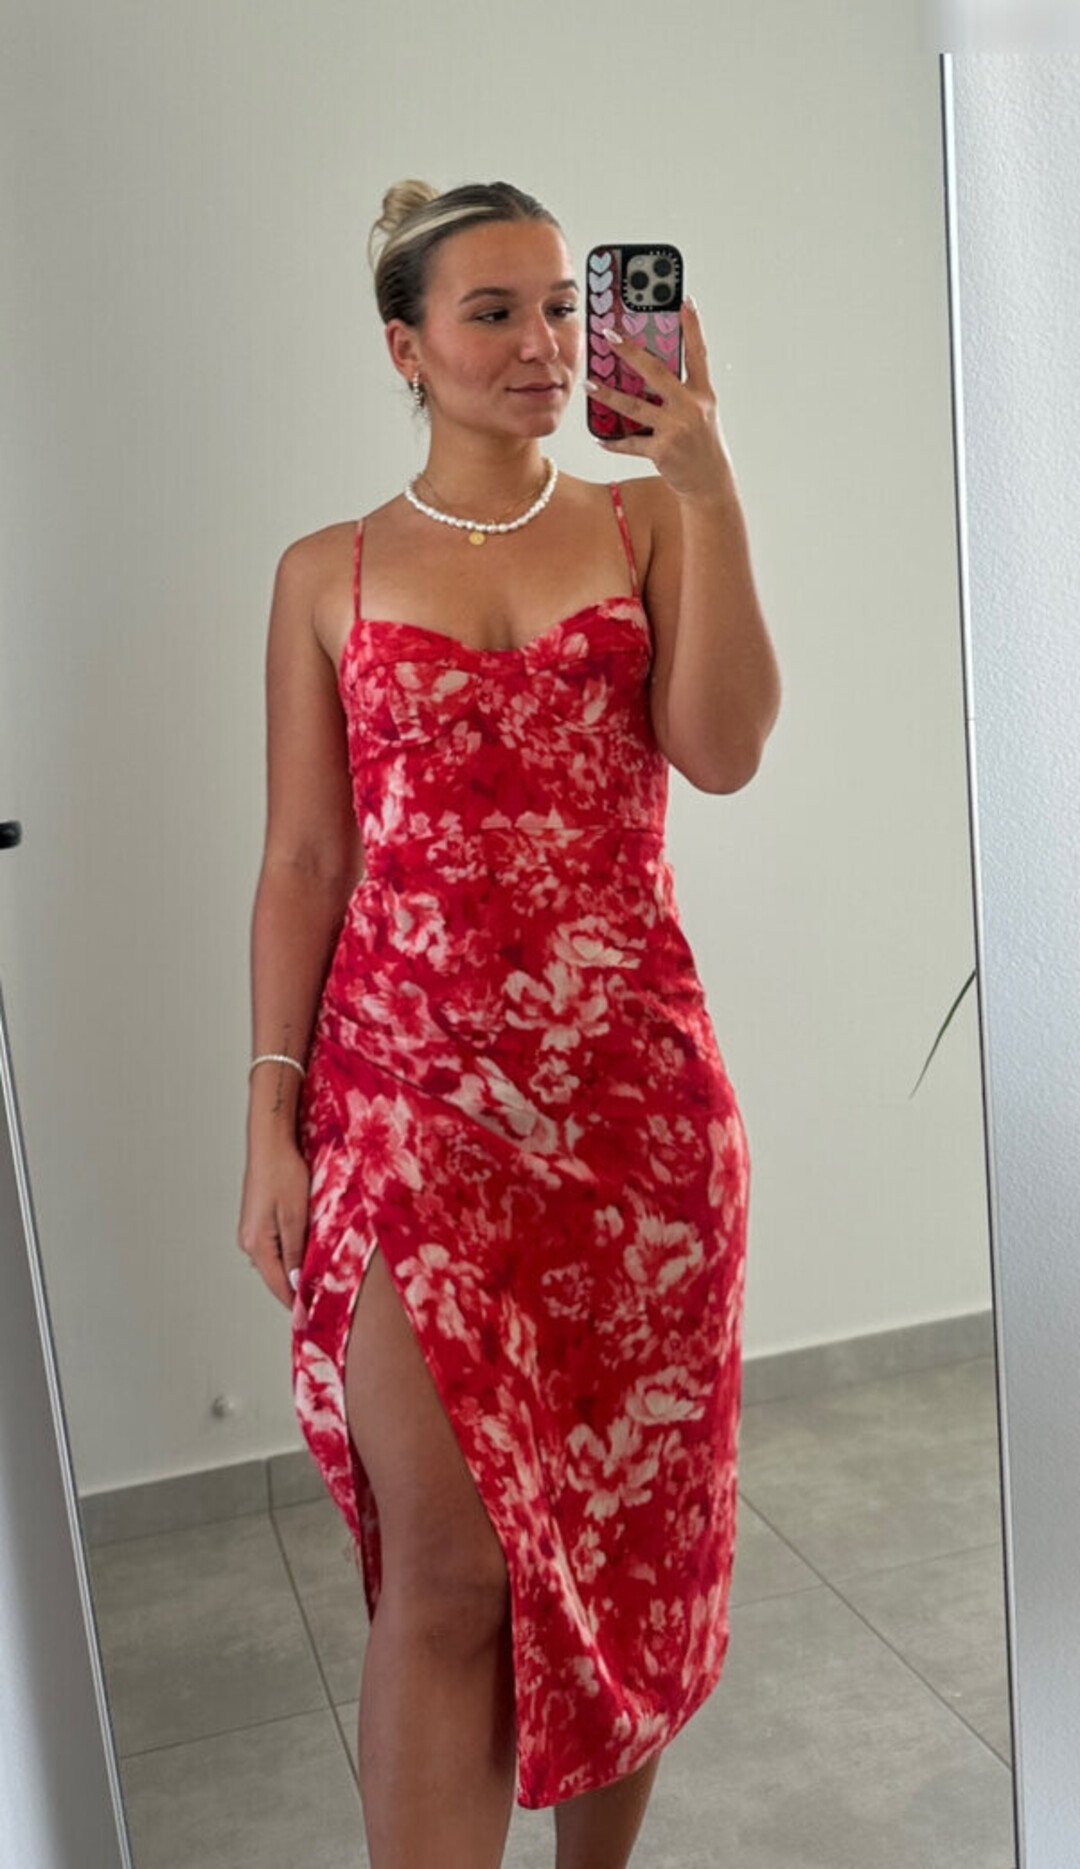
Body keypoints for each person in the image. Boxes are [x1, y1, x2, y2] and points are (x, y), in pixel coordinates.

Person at [237, 177, 781, 1869]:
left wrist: (710, 482)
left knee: (628, 1545)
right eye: (494, 313)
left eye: (562, 305)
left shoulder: (646, 522)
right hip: (404, 1113)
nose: (544, 342)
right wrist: (267, 1118)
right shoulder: (324, 573)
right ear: (405, 347)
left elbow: (723, 749)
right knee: (449, 1570)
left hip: (636, 1116)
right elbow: (305, 858)